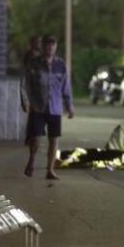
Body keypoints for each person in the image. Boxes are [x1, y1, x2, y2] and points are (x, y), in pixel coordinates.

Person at [23, 35, 74, 180]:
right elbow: (26, 84)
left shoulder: (61, 65)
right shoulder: (34, 64)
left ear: (55, 47)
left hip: (55, 108)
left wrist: (69, 106)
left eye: (53, 45)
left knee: (54, 139)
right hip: (38, 107)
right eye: (47, 44)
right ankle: (32, 159)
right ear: (43, 46)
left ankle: (50, 170)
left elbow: (66, 87)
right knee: (35, 137)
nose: (50, 47)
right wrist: (26, 101)